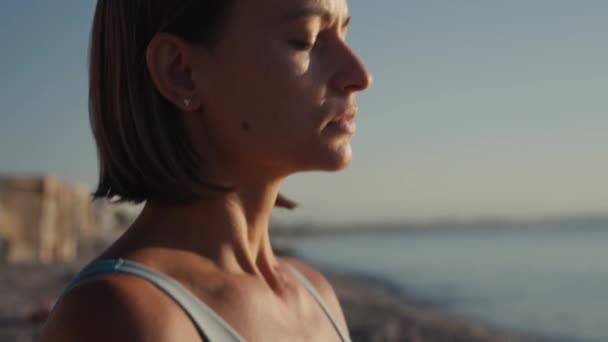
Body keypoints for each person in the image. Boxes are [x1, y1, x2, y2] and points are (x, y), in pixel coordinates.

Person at [41, 0, 371, 340]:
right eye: (306, 39)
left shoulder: (316, 293)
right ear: (180, 71)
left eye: (344, 33)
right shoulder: (117, 317)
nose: (360, 76)